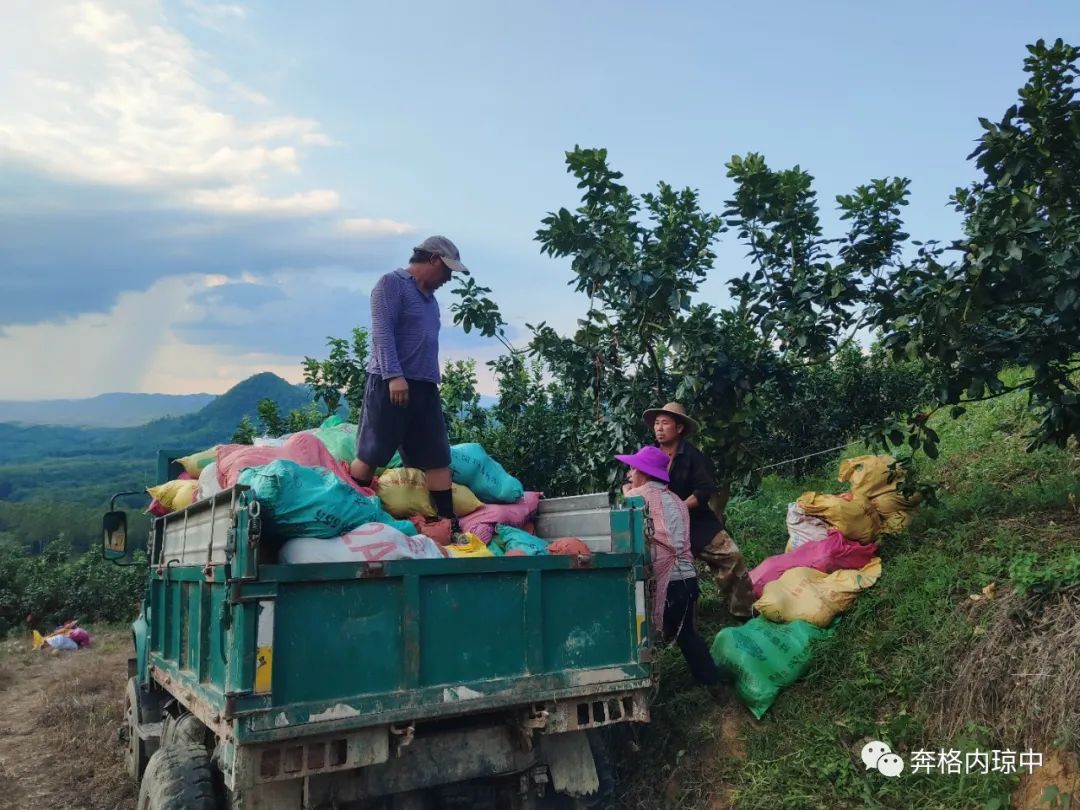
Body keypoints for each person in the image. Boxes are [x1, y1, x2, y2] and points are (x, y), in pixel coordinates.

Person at [349, 236, 470, 536]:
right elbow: (382, 333)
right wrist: (393, 376)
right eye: (447, 270)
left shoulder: (431, 301)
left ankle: (447, 522)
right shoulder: (391, 284)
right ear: (432, 260)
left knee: (437, 455)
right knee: (372, 454)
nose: (448, 278)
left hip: (425, 387)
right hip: (391, 383)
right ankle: (349, 508)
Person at [616, 445, 723, 686]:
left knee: (649, 633)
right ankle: (712, 682)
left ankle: (649, 681)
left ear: (643, 473)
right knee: (686, 634)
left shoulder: (636, 497)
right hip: (687, 577)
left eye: (633, 469)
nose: (629, 474)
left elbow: (627, 525)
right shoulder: (676, 499)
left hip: (667, 581)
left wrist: (626, 493)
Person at [643, 402, 755, 619]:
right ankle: (670, 621)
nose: (659, 428)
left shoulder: (693, 456)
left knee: (732, 559)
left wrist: (679, 508)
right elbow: (632, 479)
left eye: (665, 423)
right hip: (662, 528)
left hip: (697, 523)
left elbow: (704, 489)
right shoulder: (649, 454)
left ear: (679, 428)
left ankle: (744, 612)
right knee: (663, 573)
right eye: (656, 423)